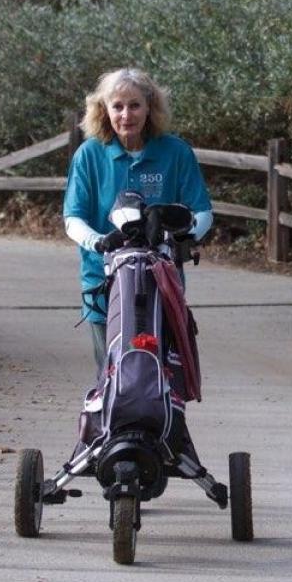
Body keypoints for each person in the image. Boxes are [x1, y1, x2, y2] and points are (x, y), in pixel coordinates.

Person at [63, 68, 213, 374]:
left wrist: (183, 235)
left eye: (134, 105)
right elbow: (73, 218)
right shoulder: (89, 155)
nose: (126, 115)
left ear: (149, 107)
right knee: (112, 375)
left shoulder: (176, 153)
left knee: (162, 373)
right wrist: (99, 242)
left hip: (162, 283)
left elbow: (203, 212)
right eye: (117, 106)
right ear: (104, 110)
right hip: (103, 283)